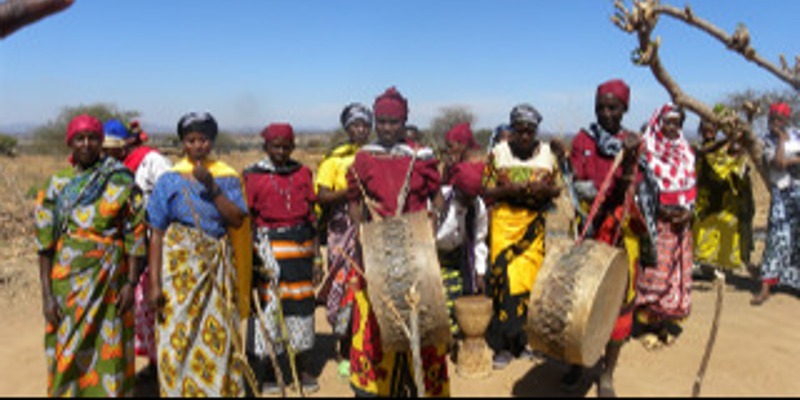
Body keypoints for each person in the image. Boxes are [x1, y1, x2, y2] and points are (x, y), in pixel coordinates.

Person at [346, 86, 450, 397]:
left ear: (404, 121)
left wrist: (433, 224)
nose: (387, 128)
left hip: (417, 257)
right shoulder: (364, 159)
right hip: (377, 256)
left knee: (422, 325)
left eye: (394, 122)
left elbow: (437, 198)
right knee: (377, 326)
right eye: (382, 121)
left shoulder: (422, 157)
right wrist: (362, 231)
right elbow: (355, 201)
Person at [33, 114, 146, 396]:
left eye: (93, 138)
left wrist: (132, 284)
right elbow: (44, 245)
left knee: (110, 347)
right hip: (67, 283)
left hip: (112, 282)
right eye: (79, 138)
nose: (86, 144)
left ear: (101, 142)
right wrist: (46, 295)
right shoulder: (56, 185)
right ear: (70, 142)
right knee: (67, 349)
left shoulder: (120, 181)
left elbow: (136, 236)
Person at [146, 112, 251, 397]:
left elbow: (237, 220)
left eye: (203, 140)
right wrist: (154, 283)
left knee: (221, 335)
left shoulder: (226, 177)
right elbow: (156, 231)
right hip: (179, 274)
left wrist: (212, 187)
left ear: (212, 142)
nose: (198, 146)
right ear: (183, 143)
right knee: (176, 334)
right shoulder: (168, 180)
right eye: (191, 140)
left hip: (216, 271)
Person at [565, 79, 649, 396]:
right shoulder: (583, 140)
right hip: (589, 230)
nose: (605, 113)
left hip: (622, 233)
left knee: (618, 303)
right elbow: (580, 184)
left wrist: (628, 162)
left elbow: (636, 187)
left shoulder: (634, 144)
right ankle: (576, 363)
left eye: (612, 107)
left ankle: (607, 373)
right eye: (600, 106)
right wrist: (600, 194)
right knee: (580, 302)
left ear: (625, 108)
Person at [243, 122, 322, 394]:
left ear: (293, 146)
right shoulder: (252, 176)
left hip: (300, 251)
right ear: (266, 147)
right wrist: (252, 260)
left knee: (301, 309)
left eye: (286, 146)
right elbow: (249, 220)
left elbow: (312, 218)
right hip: (267, 252)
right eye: (275, 146)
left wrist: (317, 259)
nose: (281, 151)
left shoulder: (302, 173)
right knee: (268, 311)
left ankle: (304, 370)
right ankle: (266, 373)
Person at [482, 104, 562, 370]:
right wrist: (511, 189)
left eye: (530, 130)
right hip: (505, 225)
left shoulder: (548, 155)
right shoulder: (498, 153)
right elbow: (486, 189)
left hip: (533, 228)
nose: (525, 136)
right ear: (513, 130)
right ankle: (504, 346)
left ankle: (523, 342)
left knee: (529, 284)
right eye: (520, 130)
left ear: (536, 130)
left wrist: (543, 189)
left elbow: (557, 189)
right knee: (504, 282)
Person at [103, 118, 173, 376]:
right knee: (136, 307)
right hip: (122, 245)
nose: (108, 152)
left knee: (154, 301)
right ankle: (149, 364)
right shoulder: (107, 168)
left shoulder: (151, 161)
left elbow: (170, 193)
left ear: (128, 143)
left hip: (153, 240)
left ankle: (163, 365)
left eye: (113, 146)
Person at [315, 103, 372, 380]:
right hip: (342, 231)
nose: (360, 129)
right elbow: (322, 197)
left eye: (364, 124)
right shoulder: (333, 160)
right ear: (347, 128)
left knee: (367, 287)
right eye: (355, 125)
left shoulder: (377, 156)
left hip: (372, 227)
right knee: (343, 285)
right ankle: (345, 349)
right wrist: (351, 192)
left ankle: (366, 347)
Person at [635, 103, 696, 349]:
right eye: (668, 122)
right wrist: (659, 210)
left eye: (677, 123)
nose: (673, 128)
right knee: (654, 275)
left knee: (674, 275)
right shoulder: (646, 150)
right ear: (659, 122)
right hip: (656, 223)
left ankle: (664, 323)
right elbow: (639, 189)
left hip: (681, 225)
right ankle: (649, 326)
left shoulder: (686, 151)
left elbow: (691, 186)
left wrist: (688, 212)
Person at [437, 122, 489, 337]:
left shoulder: (478, 207)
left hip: (459, 256)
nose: (468, 202)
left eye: (472, 198)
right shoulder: (441, 201)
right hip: (433, 256)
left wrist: (479, 272)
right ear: (456, 188)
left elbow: (478, 240)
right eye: (464, 198)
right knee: (437, 301)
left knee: (457, 300)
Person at [751, 102, 800, 305]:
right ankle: (766, 286)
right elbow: (778, 163)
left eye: (779, 119)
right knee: (776, 237)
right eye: (772, 118)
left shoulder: (797, 134)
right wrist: (782, 143)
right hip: (781, 193)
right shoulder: (766, 141)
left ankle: (794, 283)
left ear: (787, 120)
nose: (775, 122)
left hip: (798, 191)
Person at [692, 116, 754, 274]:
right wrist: (727, 139)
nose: (709, 130)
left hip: (724, 198)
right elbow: (704, 152)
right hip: (705, 199)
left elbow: (738, 153)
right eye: (705, 128)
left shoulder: (724, 150)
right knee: (703, 230)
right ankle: (704, 265)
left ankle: (725, 265)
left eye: (712, 127)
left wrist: (748, 120)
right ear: (700, 130)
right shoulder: (696, 147)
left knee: (727, 227)